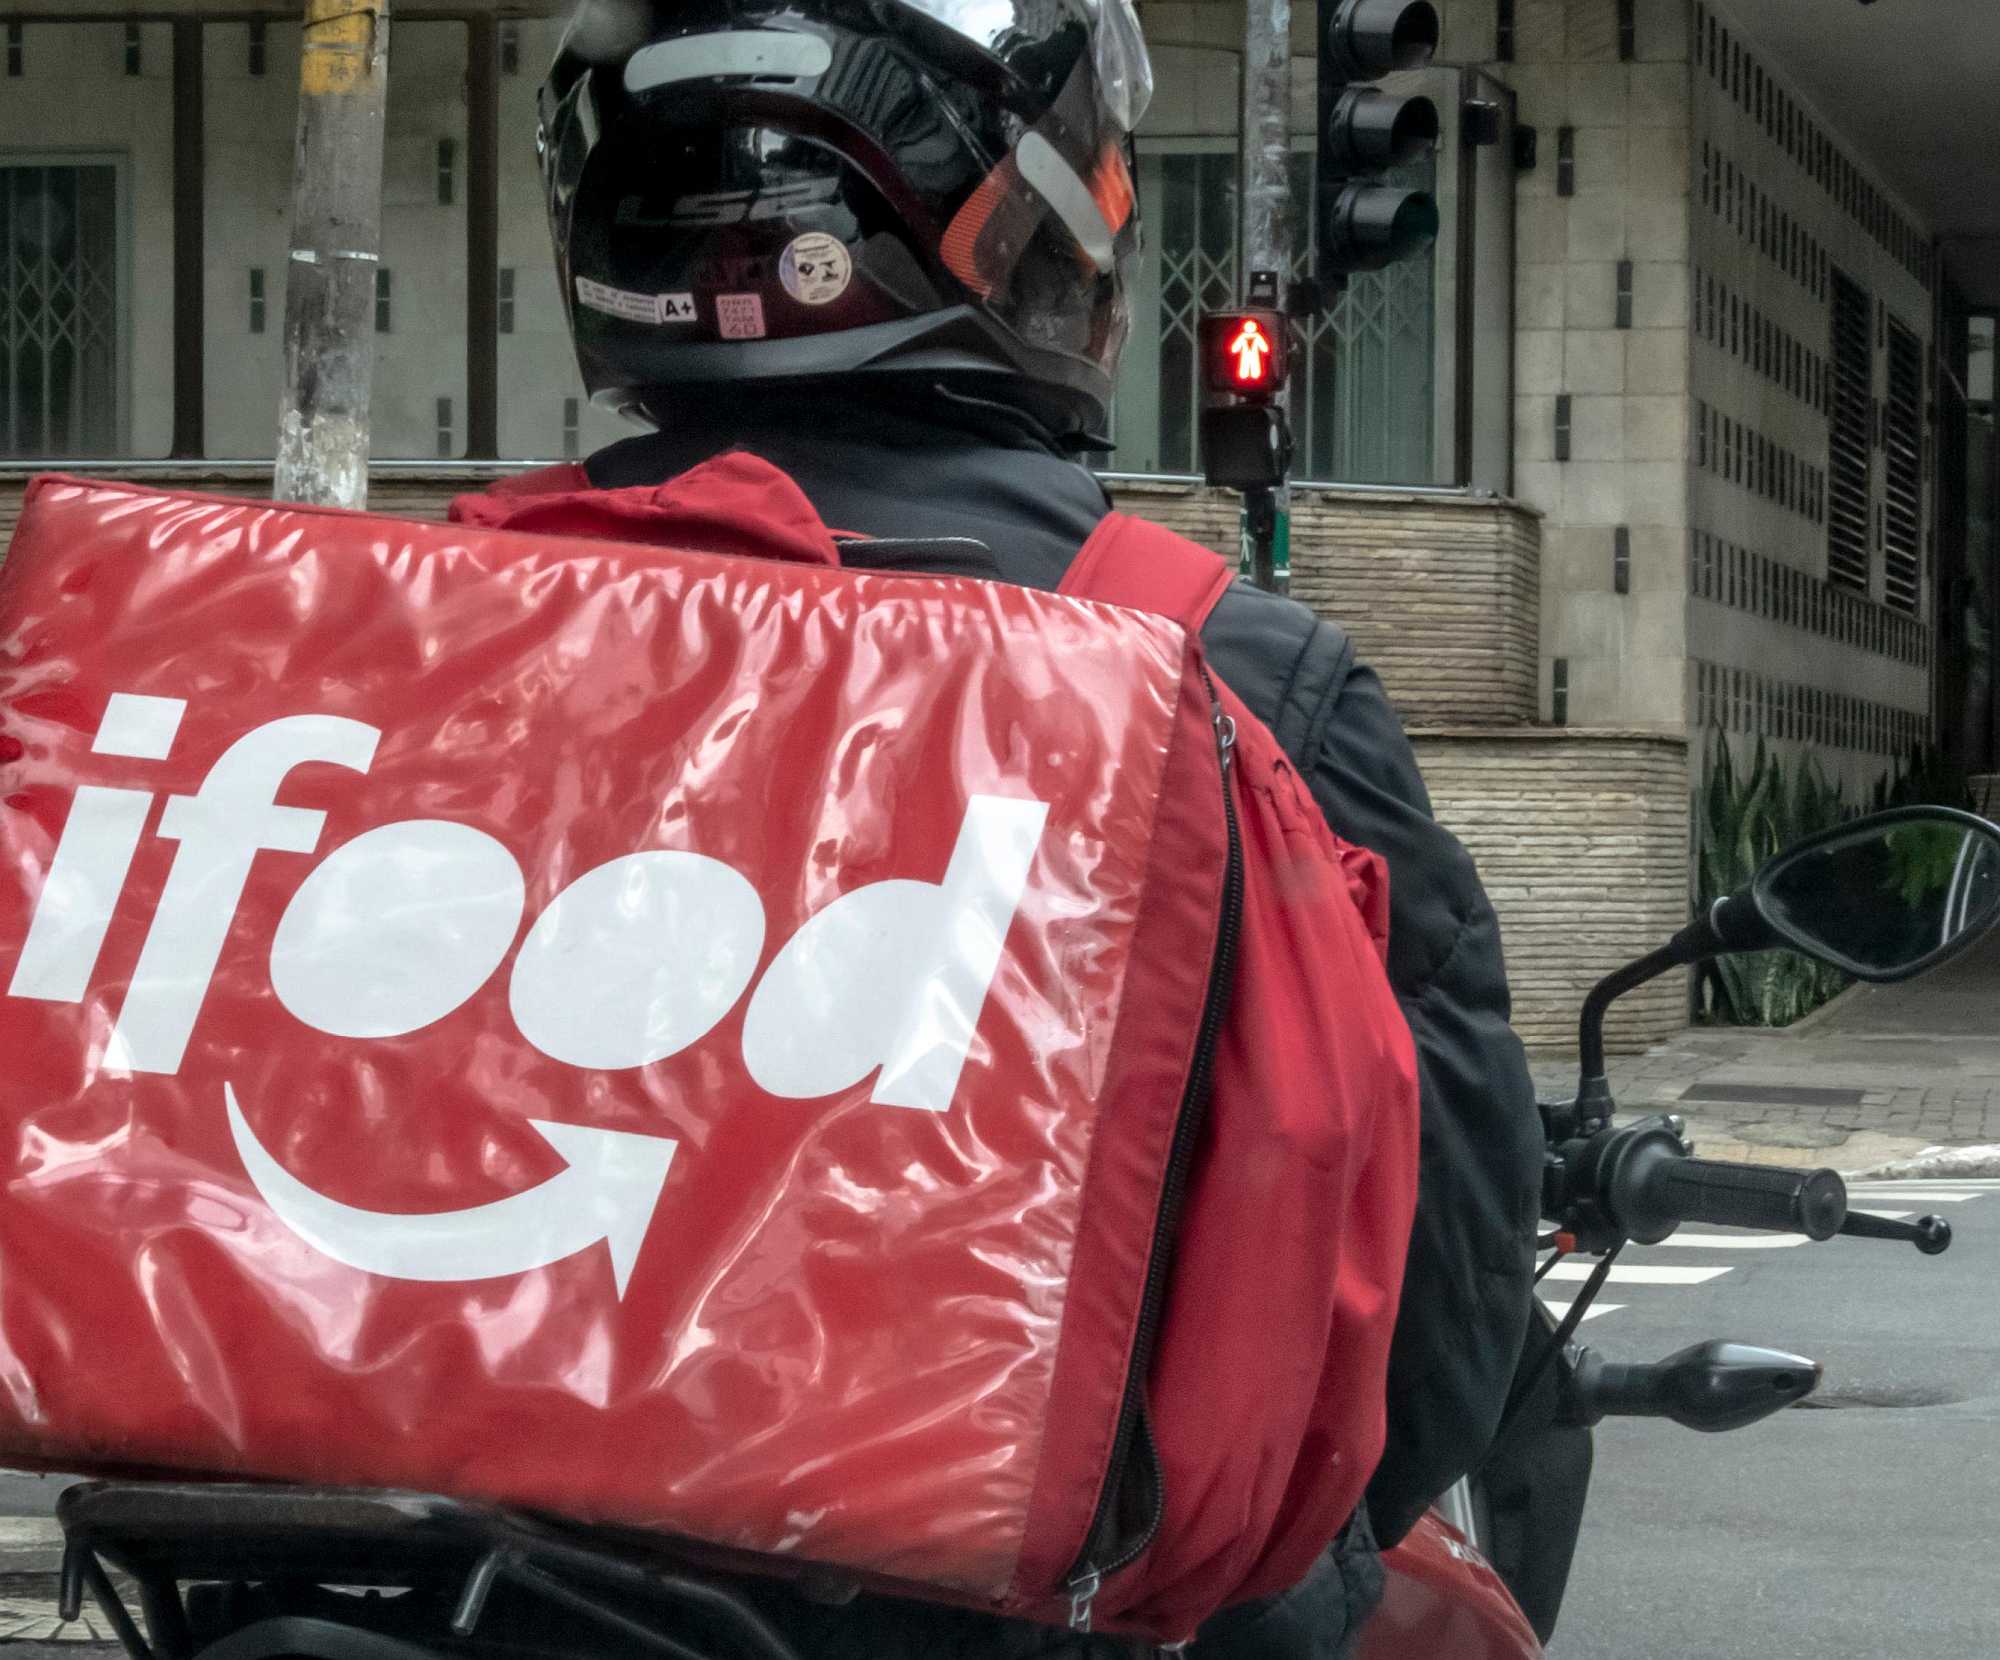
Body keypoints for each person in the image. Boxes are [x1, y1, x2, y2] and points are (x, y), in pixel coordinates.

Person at [504, 2, 1546, 1652]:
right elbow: (1432, 1301)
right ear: (1032, 241)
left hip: (468, 1578)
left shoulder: (427, 635)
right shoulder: (1226, 673)